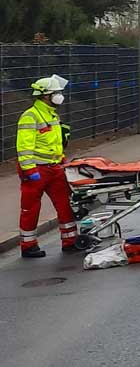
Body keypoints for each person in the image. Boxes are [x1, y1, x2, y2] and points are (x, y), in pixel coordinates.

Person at [16, 76, 97, 258]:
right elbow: (24, 147)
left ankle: (69, 241)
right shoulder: (30, 116)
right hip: (36, 170)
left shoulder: (51, 114)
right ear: (45, 96)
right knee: (30, 208)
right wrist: (30, 171)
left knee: (65, 204)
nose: (60, 96)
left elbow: (53, 144)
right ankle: (28, 245)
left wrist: (61, 158)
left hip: (54, 168)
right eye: (56, 93)